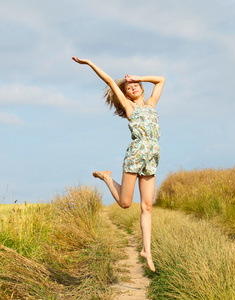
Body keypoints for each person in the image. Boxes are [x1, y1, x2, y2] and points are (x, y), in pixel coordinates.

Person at [72, 57, 165, 272]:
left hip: (152, 156)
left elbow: (160, 80)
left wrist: (139, 76)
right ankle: (106, 177)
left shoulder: (151, 104)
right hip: (135, 155)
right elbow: (109, 82)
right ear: (126, 95)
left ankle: (146, 250)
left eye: (136, 85)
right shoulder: (129, 107)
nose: (133, 87)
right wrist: (89, 64)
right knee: (125, 203)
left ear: (141, 88)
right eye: (129, 87)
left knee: (147, 206)